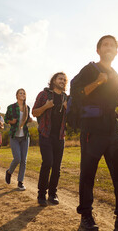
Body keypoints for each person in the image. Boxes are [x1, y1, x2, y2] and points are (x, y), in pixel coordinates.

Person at [71, 35, 118, 231]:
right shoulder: (89, 69)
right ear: (98, 50)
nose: (109, 47)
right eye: (105, 44)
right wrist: (98, 81)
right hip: (92, 130)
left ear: (116, 52)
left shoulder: (116, 74)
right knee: (88, 173)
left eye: (112, 45)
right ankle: (86, 218)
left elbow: (114, 103)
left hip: (113, 129)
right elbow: (76, 93)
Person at [32, 72, 68, 206]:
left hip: (59, 136)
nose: (62, 81)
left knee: (57, 167)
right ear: (53, 80)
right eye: (60, 79)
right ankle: (41, 194)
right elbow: (34, 112)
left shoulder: (66, 98)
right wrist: (46, 106)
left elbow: (72, 118)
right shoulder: (44, 94)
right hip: (46, 134)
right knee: (48, 162)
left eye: (64, 80)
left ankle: (52, 194)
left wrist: (67, 108)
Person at [4, 88, 32, 191]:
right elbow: (6, 118)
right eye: (20, 93)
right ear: (16, 95)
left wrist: (29, 120)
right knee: (17, 158)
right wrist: (11, 121)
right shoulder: (11, 107)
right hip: (14, 137)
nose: (22, 94)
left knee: (23, 161)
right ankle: (9, 172)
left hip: (25, 136)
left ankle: (20, 182)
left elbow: (26, 120)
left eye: (24, 93)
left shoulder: (27, 107)